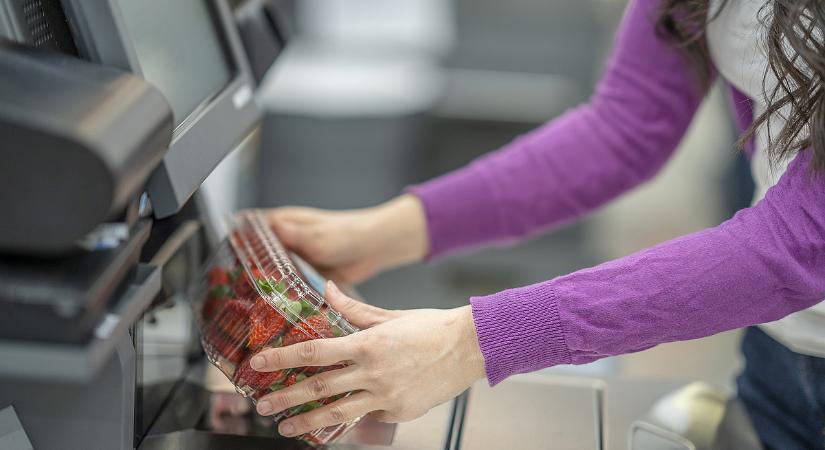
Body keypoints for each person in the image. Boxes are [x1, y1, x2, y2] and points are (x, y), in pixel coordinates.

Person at [246, 0, 825, 448]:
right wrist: (379, 233)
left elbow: (804, 240)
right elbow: (625, 128)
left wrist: (472, 342)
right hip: (783, 355)